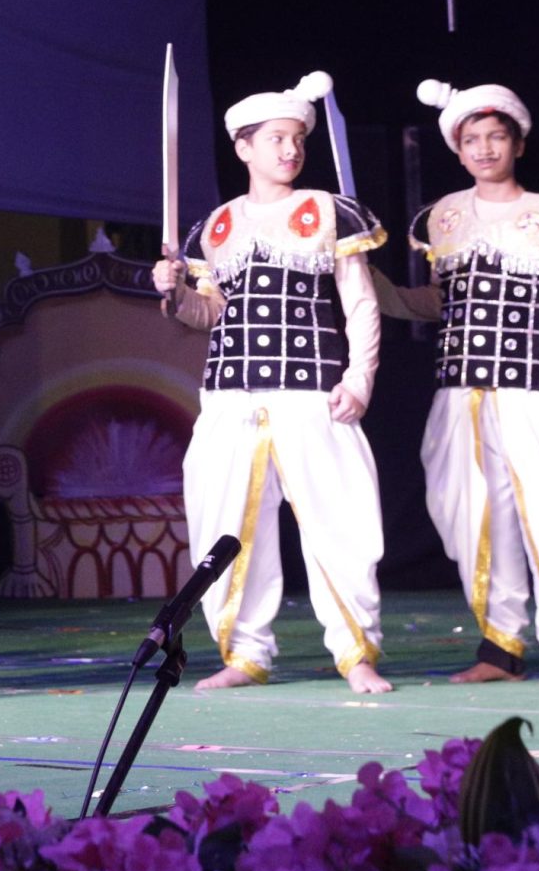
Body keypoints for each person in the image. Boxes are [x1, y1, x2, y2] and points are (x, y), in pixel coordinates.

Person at [151, 71, 393, 693]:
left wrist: (359, 379)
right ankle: (244, 653)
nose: (290, 150)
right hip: (230, 397)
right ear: (244, 148)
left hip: (311, 391)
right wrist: (173, 293)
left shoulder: (329, 212)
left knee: (339, 525)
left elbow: (360, 303)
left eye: (297, 140)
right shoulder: (215, 226)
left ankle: (356, 653)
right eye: (277, 139)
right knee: (227, 524)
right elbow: (208, 312)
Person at [390, 80, 539, 689]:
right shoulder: (442, 217)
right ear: (457, 148)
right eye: (473, 140)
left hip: (535, 392)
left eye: (496, 137)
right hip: (459, 395)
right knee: (471, 518)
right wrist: (376, 289)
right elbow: (441, 302)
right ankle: (501, 647)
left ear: (517, 143)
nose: (485, 149)